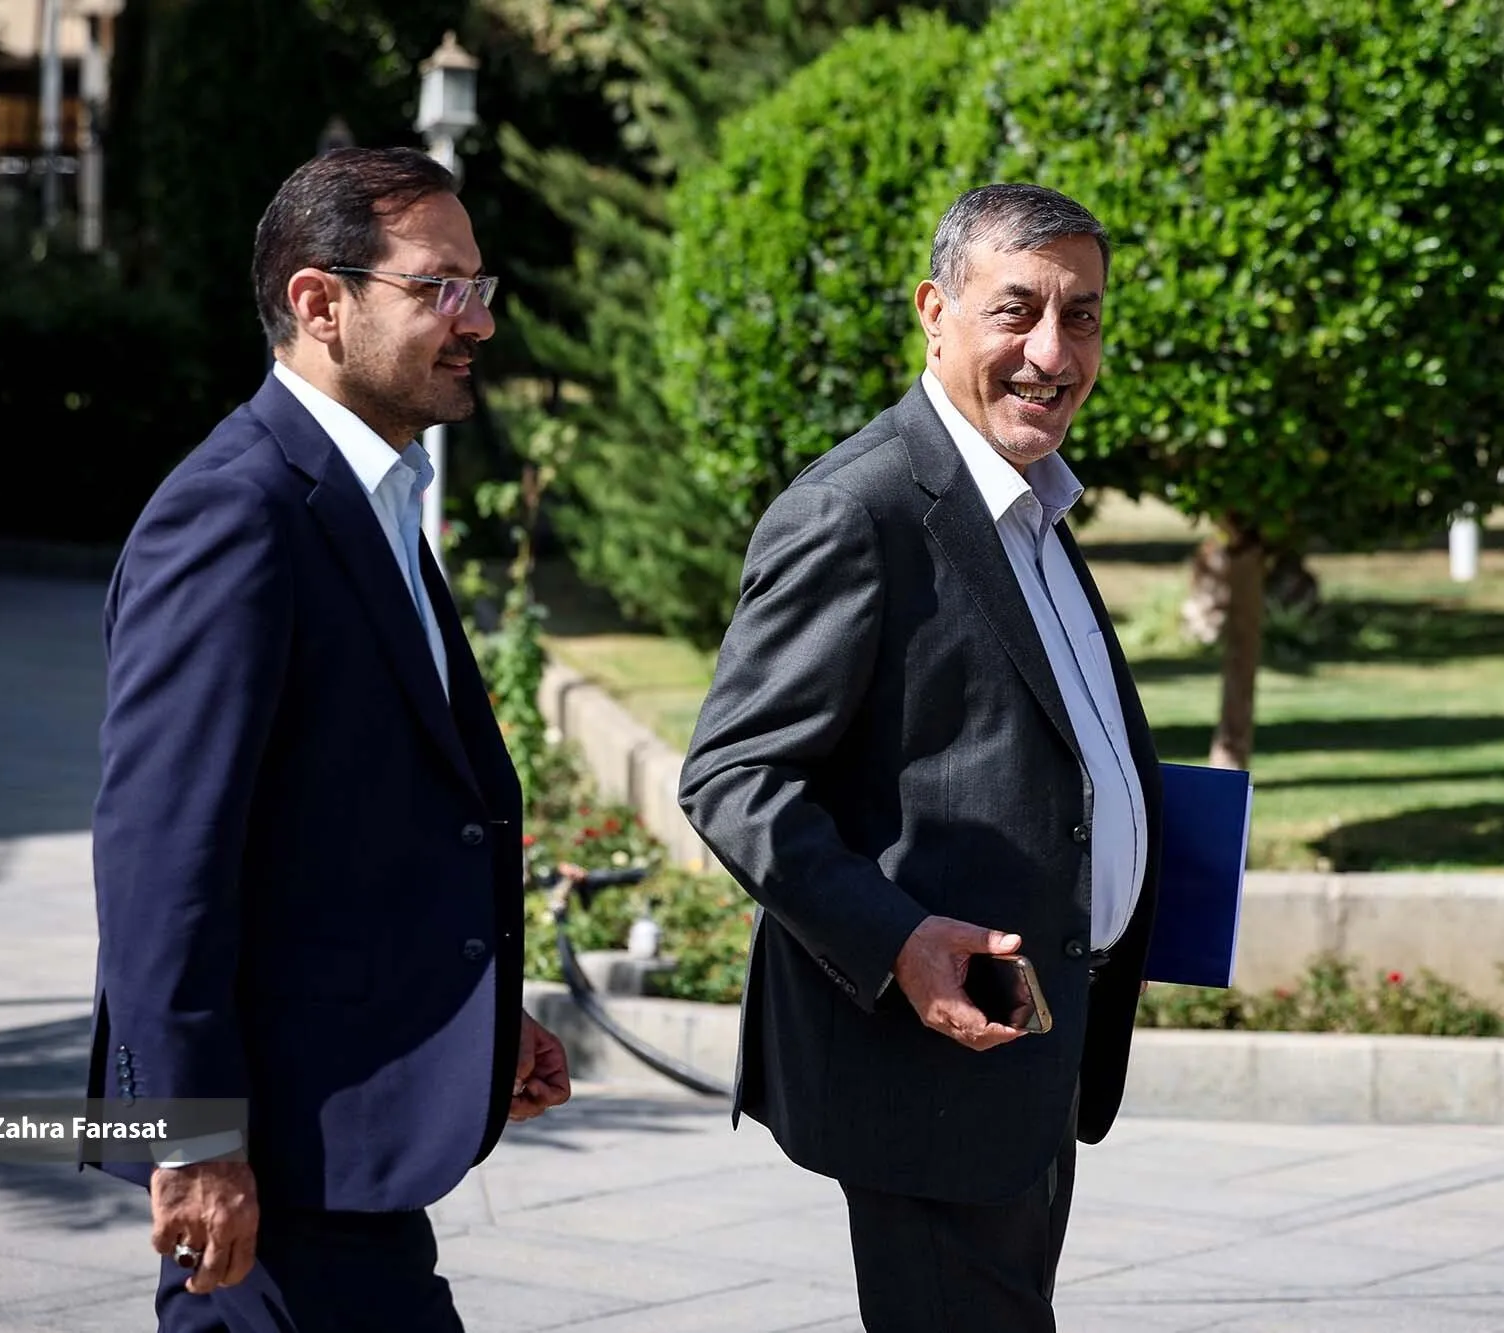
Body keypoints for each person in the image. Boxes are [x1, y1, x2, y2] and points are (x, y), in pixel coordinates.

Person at [87, 146, 571, 1333]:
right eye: (438, 287)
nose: (476, 321)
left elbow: (356, 819)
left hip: (343, 1145)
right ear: (318, 302)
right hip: (272, 1154)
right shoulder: (235, 511)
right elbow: (162, 865)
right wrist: (194, 1138)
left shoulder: (371, 494)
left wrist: (476, 1013)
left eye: (477, 286)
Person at [678, 183, 1164, 1332]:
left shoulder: (1031, 502)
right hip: (930, 1060)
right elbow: (732, 777)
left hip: (1029, 1044)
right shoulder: (857, 511)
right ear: (933, 313)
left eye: (1082, 316)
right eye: (1016, 311)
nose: (1052, 353)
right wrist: (894, 938)